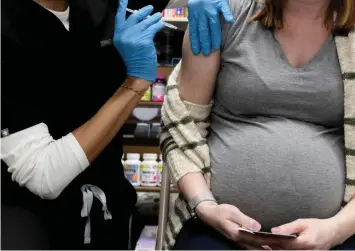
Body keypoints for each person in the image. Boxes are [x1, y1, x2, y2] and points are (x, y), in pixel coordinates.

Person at [160, 0, 355, 250]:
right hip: (213, 229)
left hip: (333, 235)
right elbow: (182, 128)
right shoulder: (220, 17)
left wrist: (335, 230)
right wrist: (206, 206)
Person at [0, 0, 232, 249]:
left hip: (106, 208)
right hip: (29, 222)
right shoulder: (8, 30)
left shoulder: (100, 6)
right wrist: (135, 83)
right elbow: (41, 173)